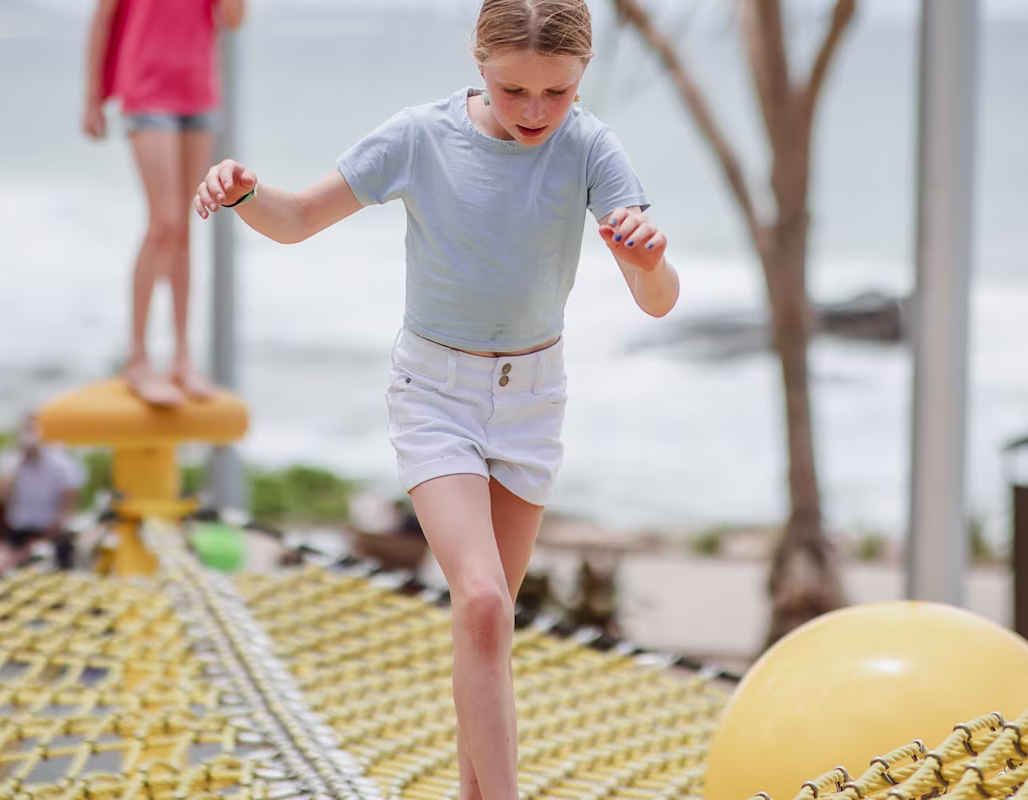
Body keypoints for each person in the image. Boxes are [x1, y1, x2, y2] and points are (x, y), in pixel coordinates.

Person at [192, 2, 679, 795]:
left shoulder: (591, 146)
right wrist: (244, 192)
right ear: (478, 62)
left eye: (556, 93)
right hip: (436, 397)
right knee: (482, 605)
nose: (534, 112)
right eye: (513, 88)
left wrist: (647, 258)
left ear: (581, 74)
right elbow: (299, 218)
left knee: (485, 635)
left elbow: (656, 299)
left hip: (532, 401)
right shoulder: (420, 136)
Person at [83, 0, 248, 406]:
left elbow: (233, 19)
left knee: (186, 227)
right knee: (164, 224)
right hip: (146, 91)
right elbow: (104, 18)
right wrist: (94, 98)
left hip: (198, 93)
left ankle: (181, 358)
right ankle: (137, 358)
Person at [0, 416, 84, 576]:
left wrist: (42, 541)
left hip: (51, 534)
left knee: (43, 563)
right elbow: (5, 495)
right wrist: (20, 464)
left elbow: (68, 509)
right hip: (17, 532)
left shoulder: (63, 463)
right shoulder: (10, 458)